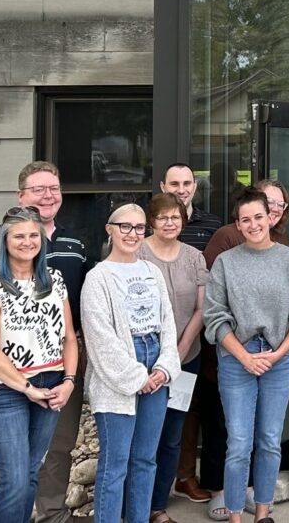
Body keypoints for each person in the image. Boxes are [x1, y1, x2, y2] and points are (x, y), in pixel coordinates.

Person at [0, 161, 88, 523]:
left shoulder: (54, 277)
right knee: (16, 478)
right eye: (19, 236)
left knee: (31, 472)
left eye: (33, 237)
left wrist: (69, 381)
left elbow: (69, 335)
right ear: (5, 240)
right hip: (3, 388)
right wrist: (27, 387)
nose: (27, 242)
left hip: (51, 381)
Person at [203, 188, 289, 523]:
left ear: (270, 217)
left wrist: (280, 352)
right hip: (236, 358)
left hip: (279, 358)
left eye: (258, 217)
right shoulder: (226, 262)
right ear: (237, 224)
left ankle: (263, 513)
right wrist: (244, 357)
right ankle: (236, 516)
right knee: (239, 442)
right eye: (246, 220)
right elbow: (215, 317)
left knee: (269, 440)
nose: (253, 224)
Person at [81, 203, 181, 523]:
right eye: (125, 226)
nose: (132, 234)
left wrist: (164, 367)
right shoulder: (98, 278)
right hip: (120, 368)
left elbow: (167, 322)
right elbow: (100, 337)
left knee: (145, 460)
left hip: (156, 363)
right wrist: (137, 376)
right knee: (115, 464)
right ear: (109, 229)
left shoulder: (151, 272)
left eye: (139, 228)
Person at [138, 193, 210, 523]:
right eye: (163, 217)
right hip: (144, 362)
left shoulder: (194, 257)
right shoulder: (137, 253)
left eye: (175, 217)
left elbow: (201, 308)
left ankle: (157, 505)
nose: (170, 223)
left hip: (185, 359)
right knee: (143, 435)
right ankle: (135, 504)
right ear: (151, 221)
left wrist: (181, 350)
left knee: (172, 434)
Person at [162, 163, 221, 505]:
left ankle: (185, 476)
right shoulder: (150, 224)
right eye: (175, 183)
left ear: (195, 188)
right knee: (155, 411)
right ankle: (153, 485)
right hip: (153, 340)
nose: (182, 189)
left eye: (187, 183)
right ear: (163, 186)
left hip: (197, 337)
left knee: (189, 408)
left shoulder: (211, 225)